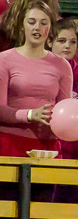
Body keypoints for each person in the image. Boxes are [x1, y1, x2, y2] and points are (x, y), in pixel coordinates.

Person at [0, 1, 72, 199]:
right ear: (22, 25)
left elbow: (65, 111)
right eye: (32, 22)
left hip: (47, 148)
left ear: (50, 28)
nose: (37, 28)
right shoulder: (4, 59)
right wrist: (29, 115)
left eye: (43, 23)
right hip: (10, 144)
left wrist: (58, 126)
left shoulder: (62, 66)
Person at [48, 19, 78, 163]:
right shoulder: (41, 71)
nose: (68, 46)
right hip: (48, 144)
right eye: (61, 40)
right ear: (50, 42)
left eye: (73, 42)